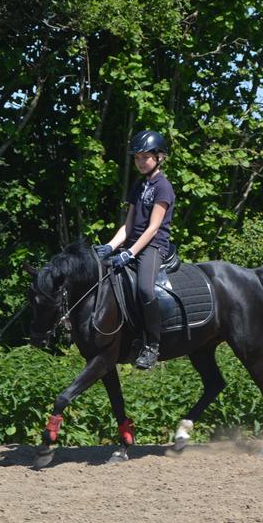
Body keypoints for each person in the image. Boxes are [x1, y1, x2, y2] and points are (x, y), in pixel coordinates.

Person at [94, 129, 176, 370]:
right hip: (132, 245)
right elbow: (128, 225)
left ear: (159, 157)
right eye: (137, 158)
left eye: (145, 157)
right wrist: (110, 246)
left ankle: (152, 345)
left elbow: (152, 228)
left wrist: (129, 253)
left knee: (145, 290)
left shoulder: (164, 187)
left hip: (153, 246)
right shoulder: (139, 186)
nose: (140, 162)